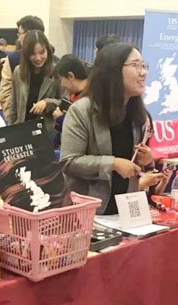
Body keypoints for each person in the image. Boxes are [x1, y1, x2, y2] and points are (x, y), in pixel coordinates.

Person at [61, 43, 155, 215]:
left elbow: (136, 166)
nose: (143, 72)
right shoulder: (82, 111)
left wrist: (147, 160)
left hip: (126, 212)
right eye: (136, 65)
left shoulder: (138, 113)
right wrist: (113, 164)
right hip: (89, 213)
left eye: (143, 65)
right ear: (114, 70)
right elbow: (69, 161)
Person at [8, 30, 62, 133]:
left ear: (48, 51)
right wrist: (10, 130)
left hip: (46, 132)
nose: (38, 58)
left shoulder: (57, 72)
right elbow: (13, 106)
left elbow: (64, 102)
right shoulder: (18, 71)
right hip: (22, 130)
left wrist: (47, 103)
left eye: (42, 53)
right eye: (33, 54)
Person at [0, 15, 45, 118]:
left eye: (20, 34)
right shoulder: (13, 60)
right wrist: (13, 120)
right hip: (20, 120)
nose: (18, 38)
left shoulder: (54, 64)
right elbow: (6, 93)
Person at [52, 54, 89, 146]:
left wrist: (61, 119)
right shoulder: (75, 96)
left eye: (61, 80)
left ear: (70, 76)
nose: (61, 85)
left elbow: (82, 131)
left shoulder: (88, 100)